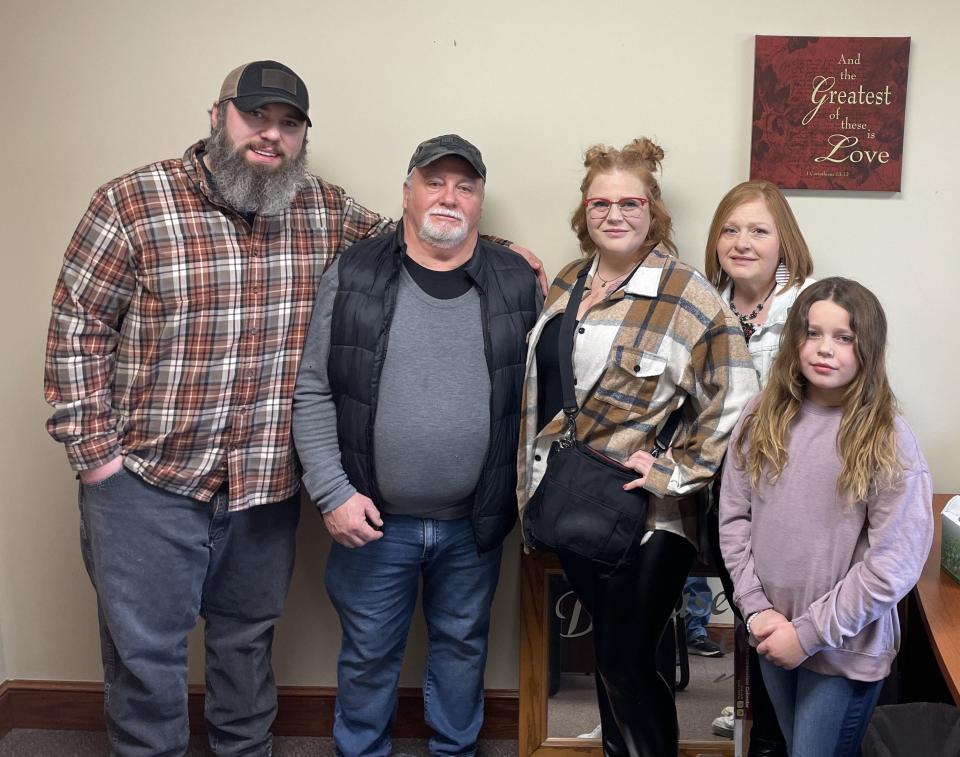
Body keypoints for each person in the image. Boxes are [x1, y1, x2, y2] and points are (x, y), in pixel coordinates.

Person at [43, 60, 540, 757]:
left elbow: (419, 236)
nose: (271, 136)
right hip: (149, 480)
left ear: (304, 135)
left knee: (246, 642)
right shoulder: (132, 202)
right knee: (145, 655)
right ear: (218, 117)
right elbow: (77, 327)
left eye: (289, 124)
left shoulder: (322, 210)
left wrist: (498, 252)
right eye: (257, 118)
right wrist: (98, 460)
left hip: (260, 485)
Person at [292, 134, 540, 757]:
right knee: (369, 652)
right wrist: (332, 493)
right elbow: (314, 390)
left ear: (480, 201)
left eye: (465, 186)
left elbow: (540, 397)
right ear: (407, 193)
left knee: (463, 648)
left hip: (473, 521)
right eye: (435, 182)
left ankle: (455, 750)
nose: (449, 198)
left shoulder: (517, 280)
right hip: (372, 520)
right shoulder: (353, 272)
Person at [517, 138, 758, 757]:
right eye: (601, 203)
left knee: (626, 663)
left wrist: (673, 472)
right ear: (584, 212)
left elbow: (736, 399)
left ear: (653, 211)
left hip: (649, 517)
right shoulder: (570, 281)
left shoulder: (688, 294)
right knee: (609, 660)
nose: (615, 214)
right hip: (577, 501)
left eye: (630, 202)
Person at [719, 277, 934, 757]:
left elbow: (893, 564)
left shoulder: (888, 438)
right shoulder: (761, 416)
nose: (824, 349)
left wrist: (808, 634)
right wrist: (757, 611)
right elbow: (734, 520)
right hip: (773, 633)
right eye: (812, 333)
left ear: (868, 348)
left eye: (843, 338)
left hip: (842, 649)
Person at [703, 180, 815, 754]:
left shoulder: (812, 306)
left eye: (758, 230)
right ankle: (762, 733)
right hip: (723, 492)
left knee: (788, 630)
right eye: (730, 229)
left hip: (796, 499)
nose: (742, 242)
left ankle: (779, 738)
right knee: (753, 616)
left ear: (784, 241)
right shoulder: (703, 303)